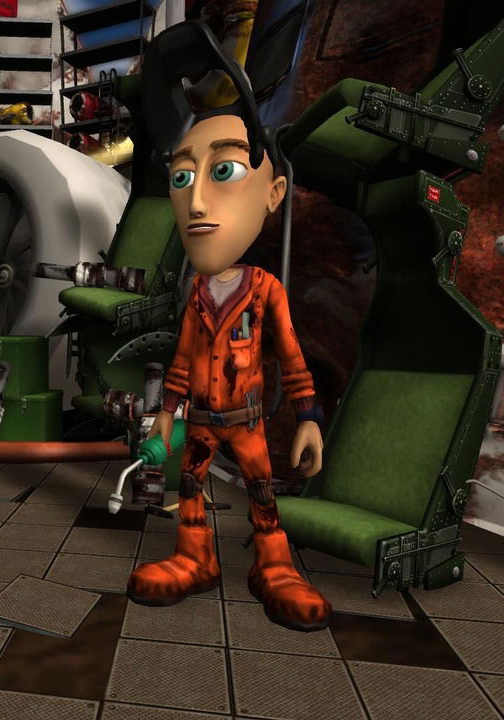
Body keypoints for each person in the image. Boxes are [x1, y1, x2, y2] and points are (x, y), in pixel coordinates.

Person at [128, 109, 332, 631]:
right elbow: (183, 360)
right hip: (200, 421)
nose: (196, 203)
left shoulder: (265, 290)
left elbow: (292, 357)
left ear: (274, 194)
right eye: (182, 178)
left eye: (225, 171)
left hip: (246, 422)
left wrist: (308, 417)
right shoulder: (197, 292)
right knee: (190, 485)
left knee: (261, 489)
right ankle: (196, 558)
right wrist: (167, 413)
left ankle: (274, 566)